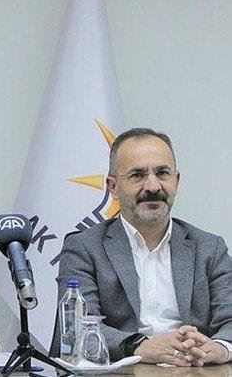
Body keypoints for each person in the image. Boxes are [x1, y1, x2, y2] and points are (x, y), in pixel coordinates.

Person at [53, 128, 232, 366]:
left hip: (195, 369)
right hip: (126, 370)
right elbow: (77, 328)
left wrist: (220, 348)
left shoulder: (209, 247)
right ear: (113, 187)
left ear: (176, 181)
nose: (153, 186)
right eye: (137, 175)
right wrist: (140, 346)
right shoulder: (84, 248)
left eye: (162, 173)